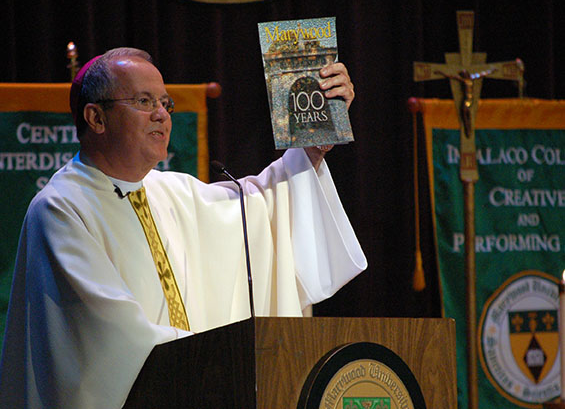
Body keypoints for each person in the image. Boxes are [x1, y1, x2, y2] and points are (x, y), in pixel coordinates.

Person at [0, 47, 367, 408]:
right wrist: (229, 357)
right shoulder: (61, 208)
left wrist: (315, 136)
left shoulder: (172, 190)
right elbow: (109, 338)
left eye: (166, 103)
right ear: (96, 118)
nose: (162, 115)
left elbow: (262, 211)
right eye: (144, 101)